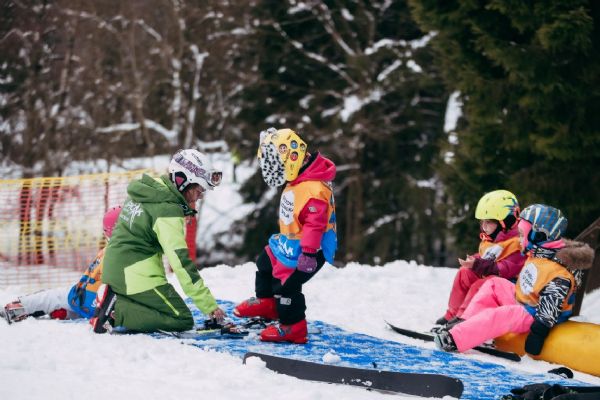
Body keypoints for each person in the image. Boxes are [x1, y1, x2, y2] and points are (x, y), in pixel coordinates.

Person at [91, 149, 226, 334]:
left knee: (164, 307)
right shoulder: (167, 211)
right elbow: (181, 264)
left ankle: (115, 299)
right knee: (181, 318)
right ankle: (116, 311)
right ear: (182, 181)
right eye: (198, 190)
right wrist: (209, 305)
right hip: (137, 276)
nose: (199, 197)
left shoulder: (150, 191)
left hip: (117, 269)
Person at [434, 204, 594, 355]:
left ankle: (455, 339)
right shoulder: (539, 252)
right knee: (494, 284)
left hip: (537, 315)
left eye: (523, 235)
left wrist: (536, 336)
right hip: (526, 301)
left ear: (538, 234)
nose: (520, 239)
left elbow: (548, 309)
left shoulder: (558, 272)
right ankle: (464, 324)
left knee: (503, 314)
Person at [233, 127, 337, 344]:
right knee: (265, 261)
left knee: (288, 286)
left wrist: (309, 253)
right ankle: (269, 303)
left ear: (291, 158)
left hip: (311, 248)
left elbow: (315, 225)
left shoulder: (314, 189)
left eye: (277, 164)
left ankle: (293, 326)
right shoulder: (300, 178)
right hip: (291, 242)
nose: (274, 170)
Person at [1, 206, 122, 324]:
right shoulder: (131, 250)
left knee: (55, 296)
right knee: (76, 304)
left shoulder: (108, 250)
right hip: (105, 306)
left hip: (88, 299)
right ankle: (67, 313)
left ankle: (18, 307)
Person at [434, 190, 525, 328]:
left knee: (481, 284)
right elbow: (489, 257)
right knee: (464, 273)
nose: (484, 227)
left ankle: (463, 319)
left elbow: (505, 269)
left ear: (505, 222)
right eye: (483, 222)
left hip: (510, 290)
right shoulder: (494, 238)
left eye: (489, 222)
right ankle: (453, 314)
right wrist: (474, 261)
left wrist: (478, 264)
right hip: (492, 280)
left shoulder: (519, 243)